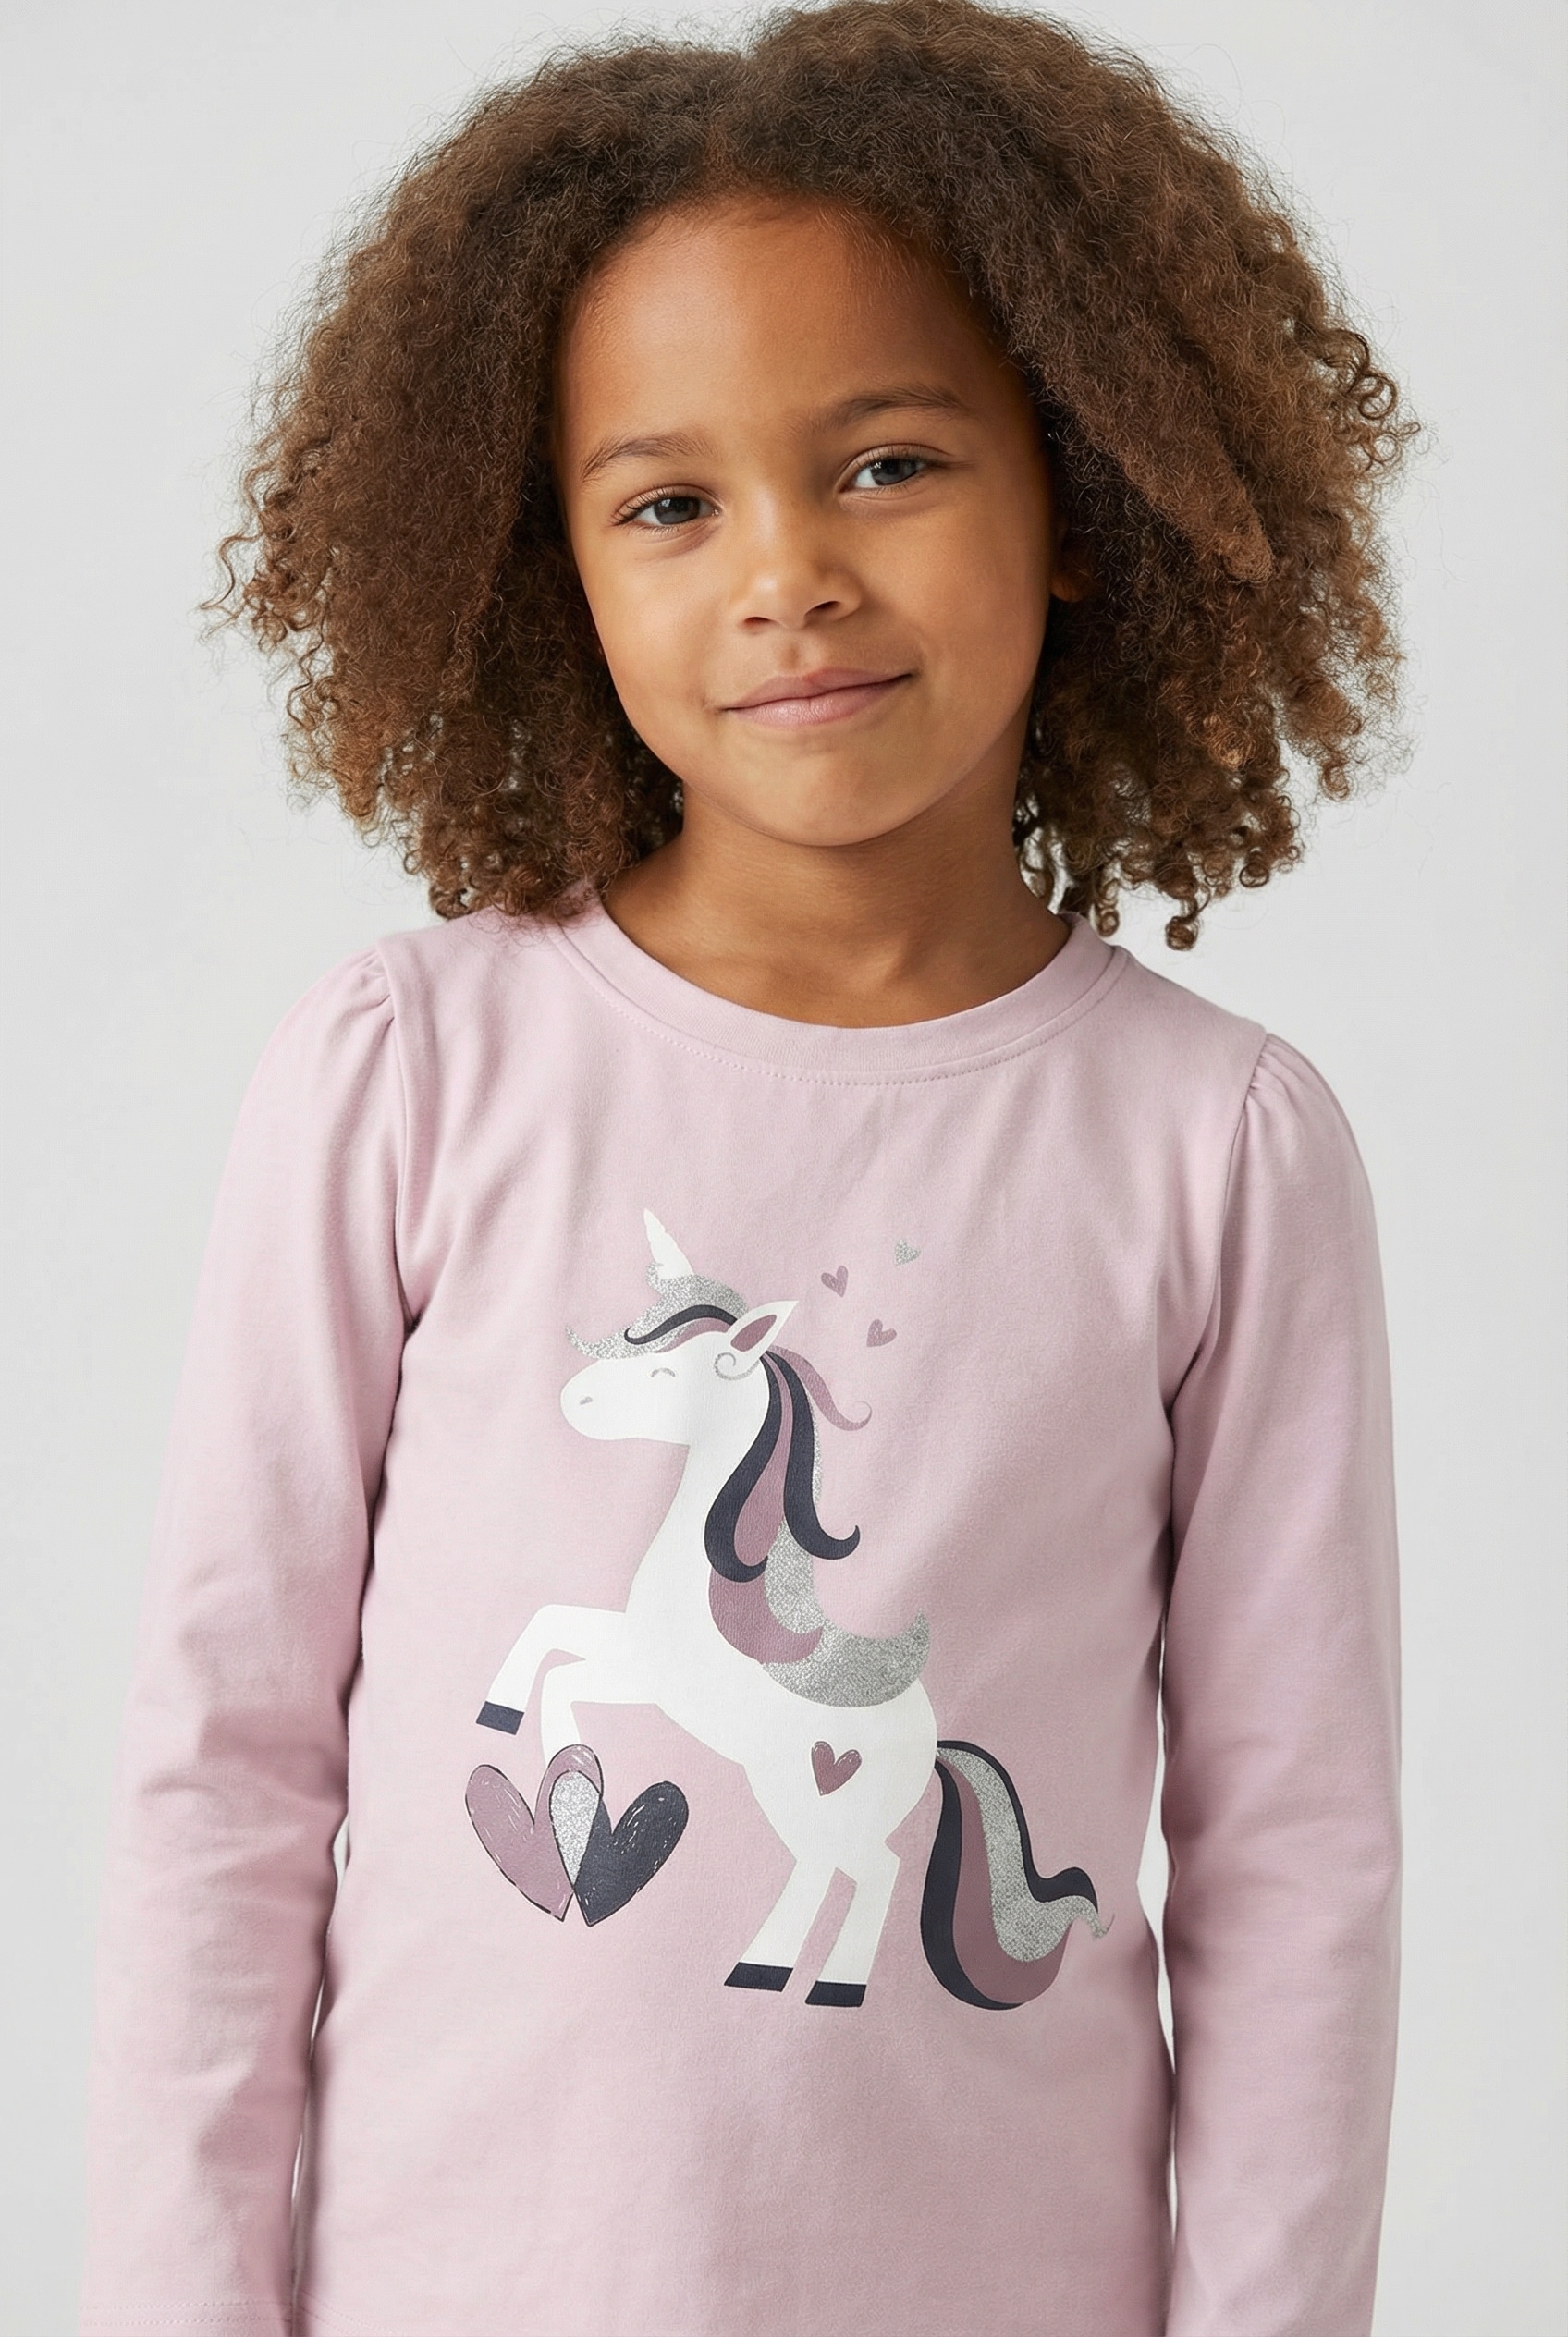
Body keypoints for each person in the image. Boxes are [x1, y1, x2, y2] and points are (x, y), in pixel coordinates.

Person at [77, 4, 1411, 2332]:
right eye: (669, 504)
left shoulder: (1217, 1146)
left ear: (1080, 493)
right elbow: (226, 1770)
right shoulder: (410, 1069)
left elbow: (1294, 1858)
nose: (785, 573)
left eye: (885, 463)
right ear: (558, 573)